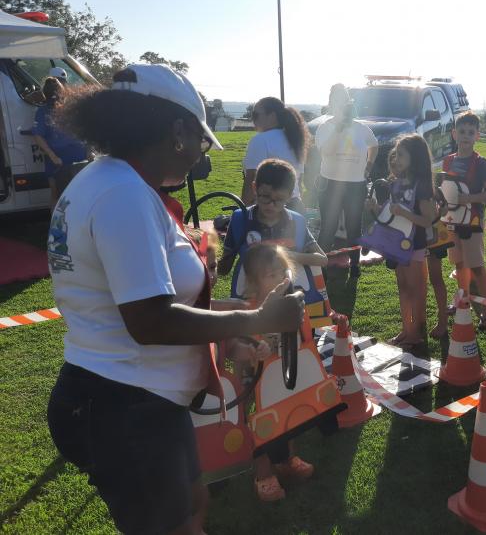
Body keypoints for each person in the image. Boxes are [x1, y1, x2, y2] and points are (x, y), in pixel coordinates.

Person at [45, 63, 305, 535]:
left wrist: (235, 316)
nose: (199, 159)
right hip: (125, 409)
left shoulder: (107, 182)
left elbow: (151, 299)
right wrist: (255, 320)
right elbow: (151, 321)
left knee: (193, 501)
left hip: (132, 401)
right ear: (177, 130)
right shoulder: (123, 195)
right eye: (201, 143)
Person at [235, 243, 318, 501]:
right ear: (253, 281)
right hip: (256, 380)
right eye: (271, 274)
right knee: (261, 426)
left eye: (282, 271)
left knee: (288, 417)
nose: (281, 277)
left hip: (284, 374)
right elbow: (239, 348)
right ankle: (263, 474)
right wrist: (255, 351)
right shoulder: (248, 310)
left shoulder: (289, 304)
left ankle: (287, 460)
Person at [221, 159, 327, 300]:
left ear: (289, 196)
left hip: (289, 301)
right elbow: (224, 269)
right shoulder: (240, 219)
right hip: (250, 303)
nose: (271, 205)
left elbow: (322, 259)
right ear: (254, 188)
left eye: (279, 199)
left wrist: (289, 257)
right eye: (265, 197)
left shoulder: (296, 222)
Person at [367, 134, 437, 348]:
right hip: (396, 243)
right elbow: (391, 213)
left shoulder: (422, 186)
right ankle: (406, 330)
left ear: (415, 157)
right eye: (395, 153)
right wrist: (376, 209)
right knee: (403, 287)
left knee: (415, 288)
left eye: (402, 154)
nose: (396, 158)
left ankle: (415, 333)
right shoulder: (395, 183)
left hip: (414, 245)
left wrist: (405, 214)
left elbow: (429, 219)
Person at [315, 83, 378, 278]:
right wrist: (340, 127)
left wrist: (368, 166)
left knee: (353, 226)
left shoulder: (361, 128)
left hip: (354, 185)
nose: (339, 103)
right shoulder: (325, 127)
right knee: (328, 226)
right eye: (336, 99)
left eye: (343, 99)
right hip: (330, 183)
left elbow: (374, 145)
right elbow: (327, 151)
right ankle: (320, 267)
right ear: (331, 103)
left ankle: (355, 266)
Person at [443, 111, 486, 329]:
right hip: (451, 221)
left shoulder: (481, 163)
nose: (466, 136)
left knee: (477, 267)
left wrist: (470, 198)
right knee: (459, 263)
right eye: (462, 131)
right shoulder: (448, 161)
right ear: (454, 134)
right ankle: (462, 299)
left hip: (473, 222)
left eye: (470, 132)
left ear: (477, 136)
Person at [240, 97, 310, 214]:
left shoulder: (260, 140)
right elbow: (299, 180)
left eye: (256, 115)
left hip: (270, 209)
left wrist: (243, 211)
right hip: (295, 206)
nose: (253, 120)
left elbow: (251, 179)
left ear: (272, 116)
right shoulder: (295, 139)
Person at [33, 77, 88, 206]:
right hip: (60, 161)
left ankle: (63, 224)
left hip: (71, 159)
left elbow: (38, 136)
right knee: (62, 195)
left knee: (59, 195)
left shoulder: (70, 108)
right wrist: (54, 157)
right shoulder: (43, 111)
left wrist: (53, 157)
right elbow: (38, 136)